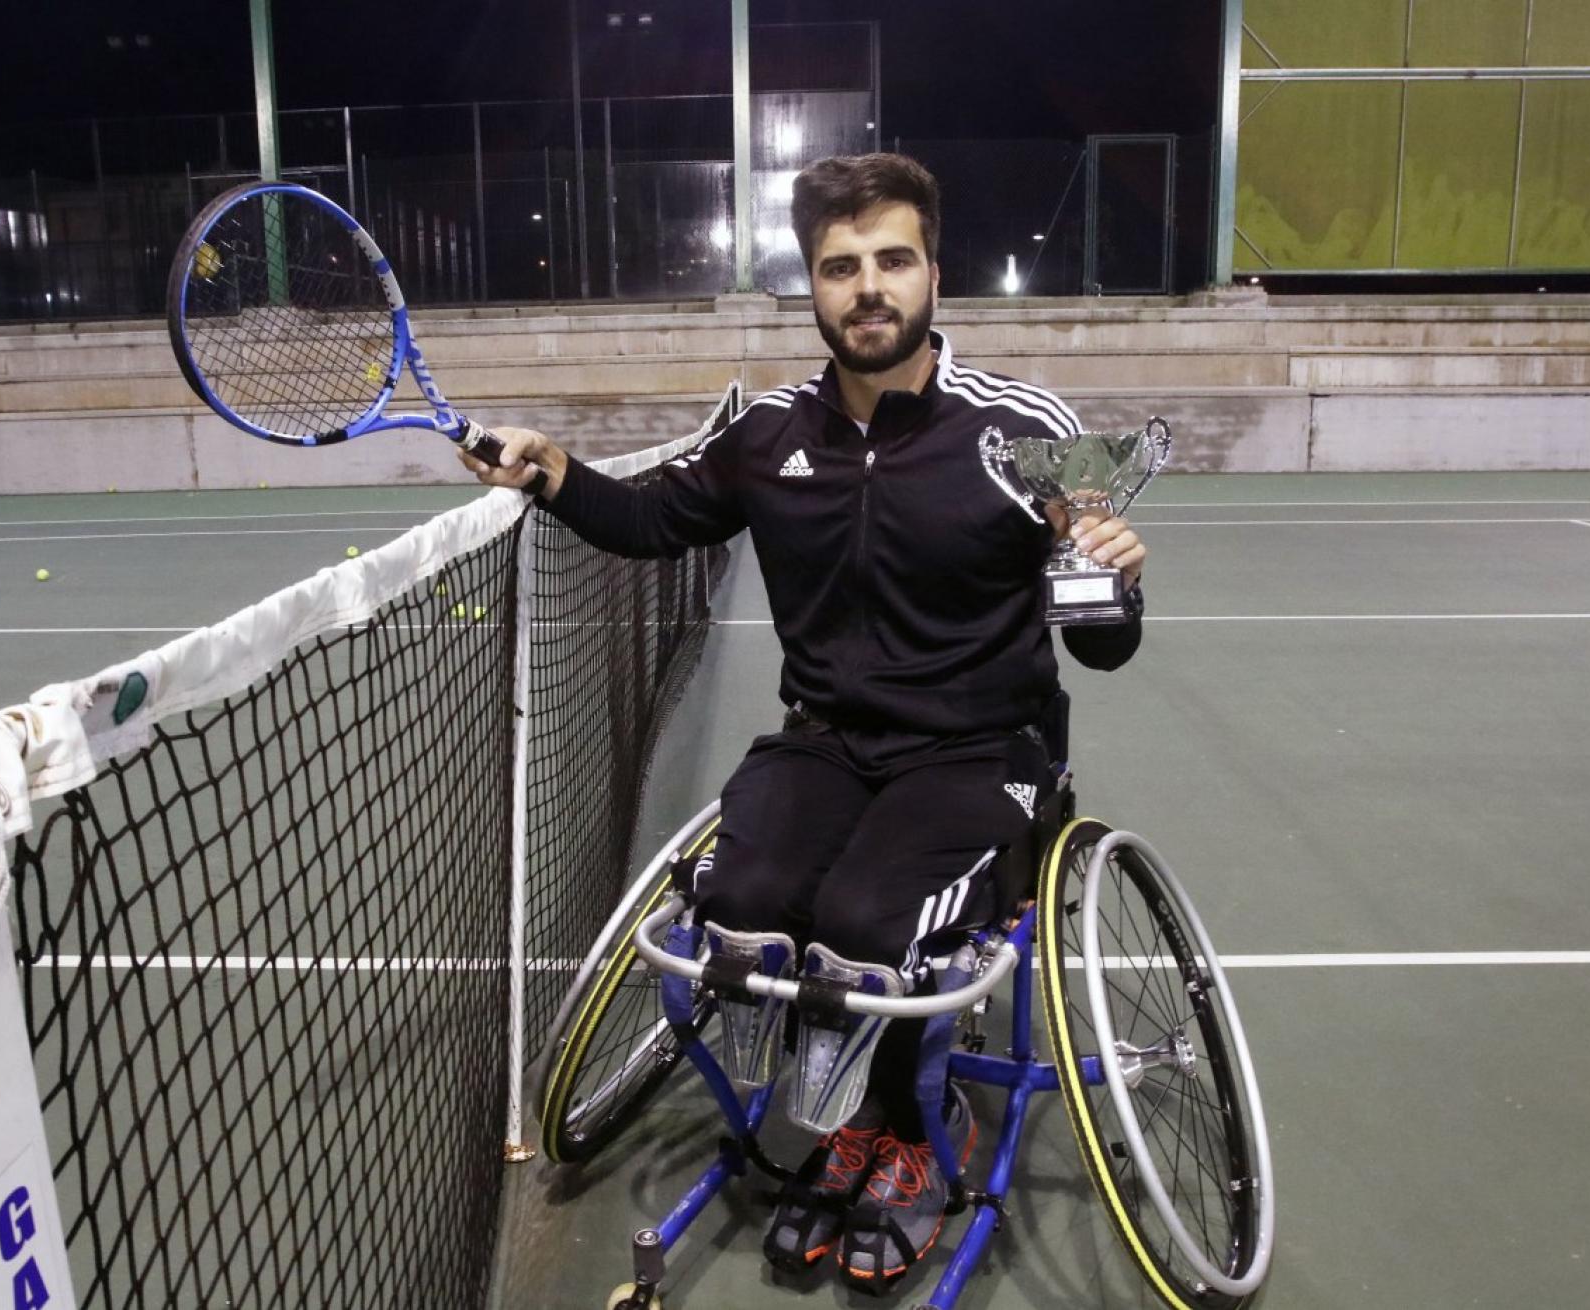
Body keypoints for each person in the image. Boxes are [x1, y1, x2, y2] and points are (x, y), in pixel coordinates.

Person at [464, 153, 1147, 1290]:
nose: (867, 287)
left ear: (935, 271)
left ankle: (918, 1137)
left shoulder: (1032, 428)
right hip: (827, 741)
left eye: (892, 260)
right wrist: (553, 470)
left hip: (984, 751)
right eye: (841, 267)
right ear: (812, 286)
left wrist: (1116, 576)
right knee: (737, 905)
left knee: (869, 919)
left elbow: (1103, 641)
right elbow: (648, 520)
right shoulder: (769, 432)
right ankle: (843, 1121)